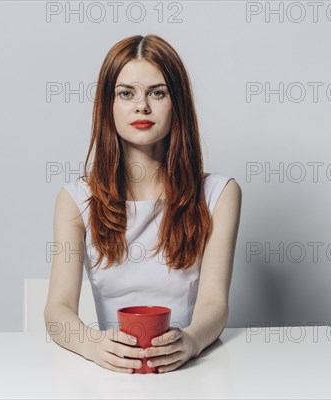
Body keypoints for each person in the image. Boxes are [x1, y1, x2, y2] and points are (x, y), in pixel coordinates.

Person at [45, 34, 241, 374]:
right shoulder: (75, 199)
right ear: (108, 105)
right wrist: (93, 345)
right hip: (112, 374)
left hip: (191, 372)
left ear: (176, 102)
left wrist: (191, 341)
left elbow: (215, 303)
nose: (142, 106)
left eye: (157, 92)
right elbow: (57, 309)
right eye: (126, 93)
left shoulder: (220, 194)